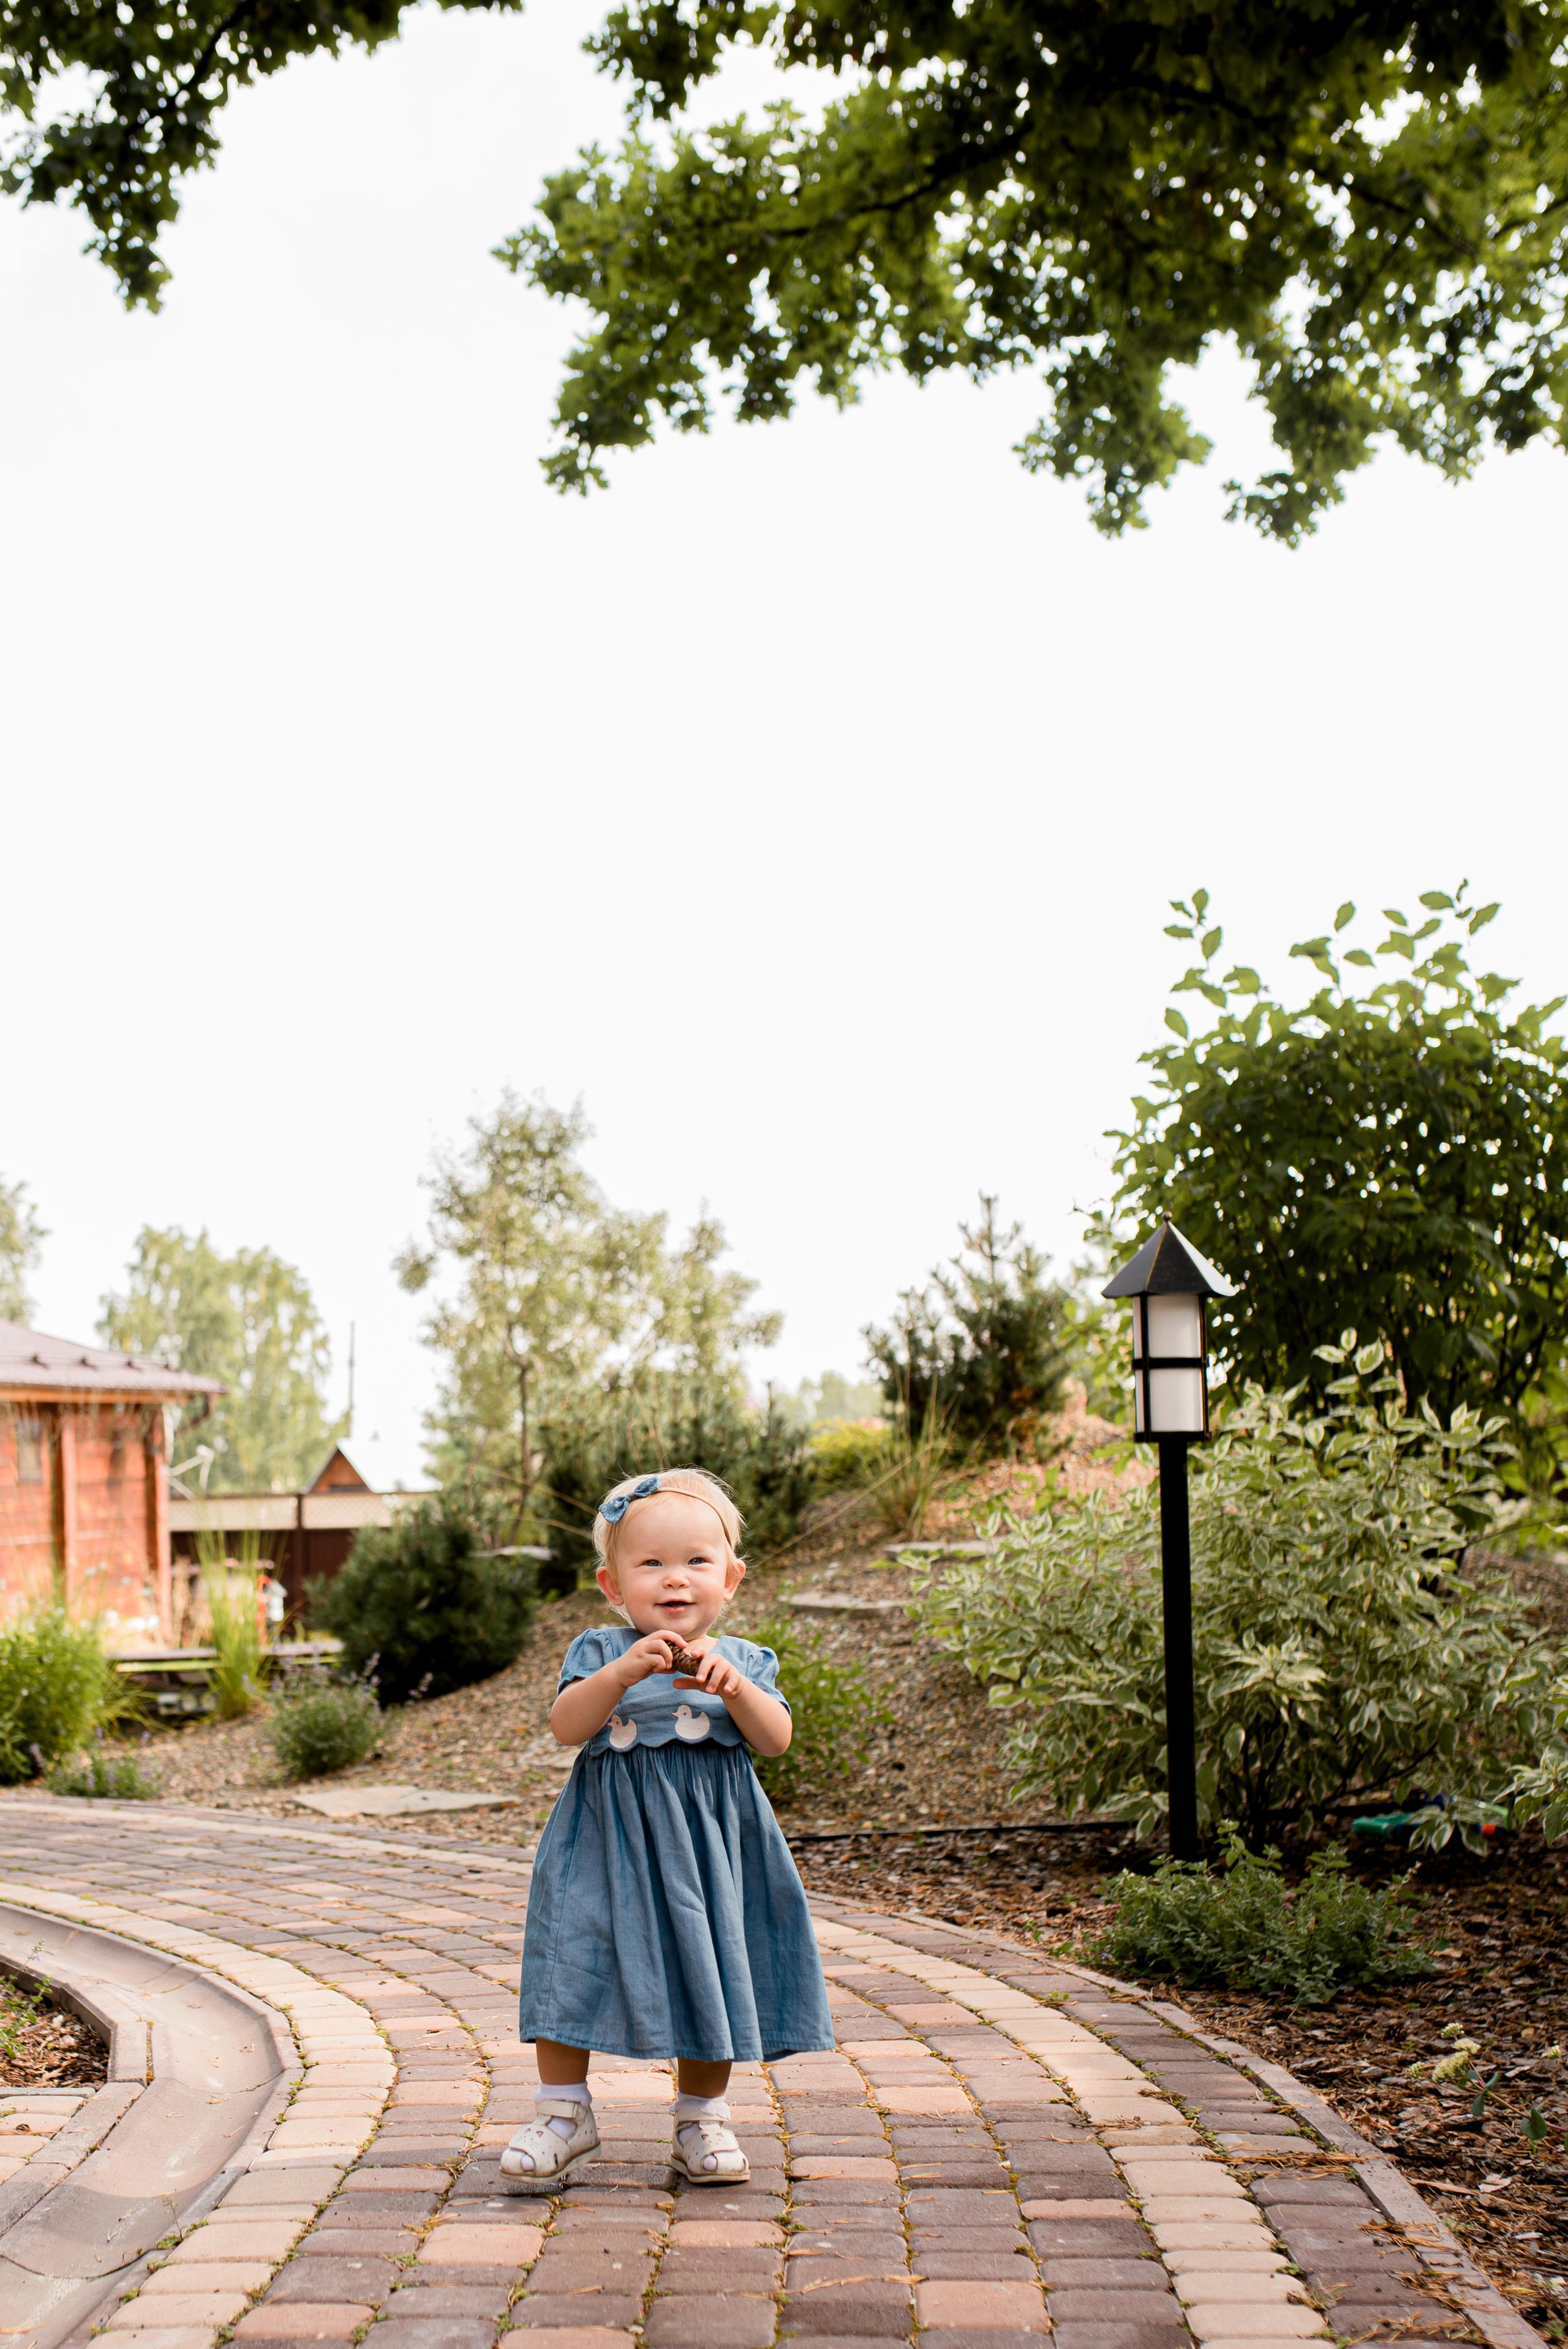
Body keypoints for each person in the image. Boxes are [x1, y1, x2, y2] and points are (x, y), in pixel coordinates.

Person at [506, 1466, 834, 2191]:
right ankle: (563, 2112)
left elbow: (776, 1739)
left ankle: (701, 2119)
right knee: (573, 1954)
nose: (674, 1579)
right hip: (604, 1843)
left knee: (709, 1960)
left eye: (695, 1562)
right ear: (613, 1585)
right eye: (650, 1563)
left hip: (710, 1850)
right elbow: (567, 1727)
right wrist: (620, 1676)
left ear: (731, 1578)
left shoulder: (745, 1661)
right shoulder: (600, 1651)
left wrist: (737, 1690)